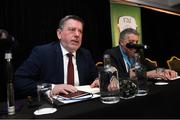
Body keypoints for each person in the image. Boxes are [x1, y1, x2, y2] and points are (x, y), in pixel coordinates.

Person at [14, 15, 98, 98]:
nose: (77, 34)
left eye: (80, 31)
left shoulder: (85, 54)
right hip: (54, 106)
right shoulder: (42, 53)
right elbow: (19, 80)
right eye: (72, 30)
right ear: (59, 34)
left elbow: (95, 78)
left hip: (83, 103)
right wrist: (51, 88)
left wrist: (98, 80)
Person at [91, 28, 178, 87]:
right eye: (131, 42)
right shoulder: (111, 53)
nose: (135, 45)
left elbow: (151, 67)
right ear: (121, 42)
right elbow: (113, 76)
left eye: (136, 42)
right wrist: (145, 74)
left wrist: (164, 70)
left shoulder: (138, 52)